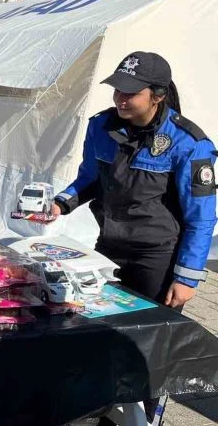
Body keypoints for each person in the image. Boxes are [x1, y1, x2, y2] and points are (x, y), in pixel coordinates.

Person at [50, 52, 216, 424]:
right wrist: (61, 203)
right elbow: (90, 177)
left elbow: (201, 218)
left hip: (158, 256)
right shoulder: (101, 127)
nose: (120, 99)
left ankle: (148, 415)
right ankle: (102, 403)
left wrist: (187, 276)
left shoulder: (189, 142)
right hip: (110, 247)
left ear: (157, 95)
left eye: (130, 93)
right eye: (117, 90)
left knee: (152, 344)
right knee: (98, 327)